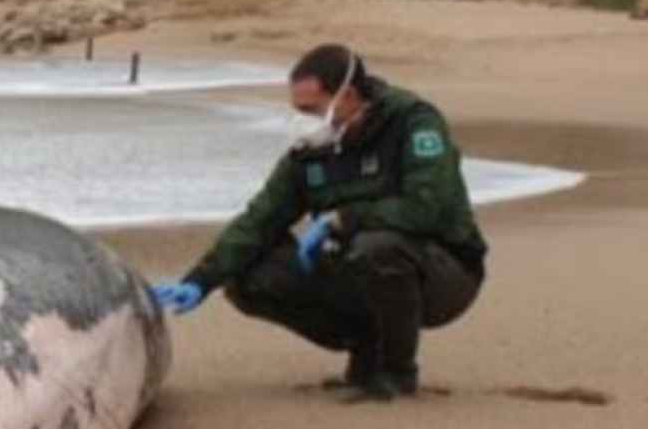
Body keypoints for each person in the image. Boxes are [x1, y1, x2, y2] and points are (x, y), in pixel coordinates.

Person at [150, 44, 488, 402]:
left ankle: (397, 373)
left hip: (444, 272)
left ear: (348, 95)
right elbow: (259, 220)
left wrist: (343, 219)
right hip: (357, 265)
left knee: (377, 248)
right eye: (297, 109)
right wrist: (200, 281)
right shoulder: (311, 152)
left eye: (311, 109)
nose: (305, 118)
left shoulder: (413, 122)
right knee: (249, 275)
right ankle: (365, 354)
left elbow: (427, 207)